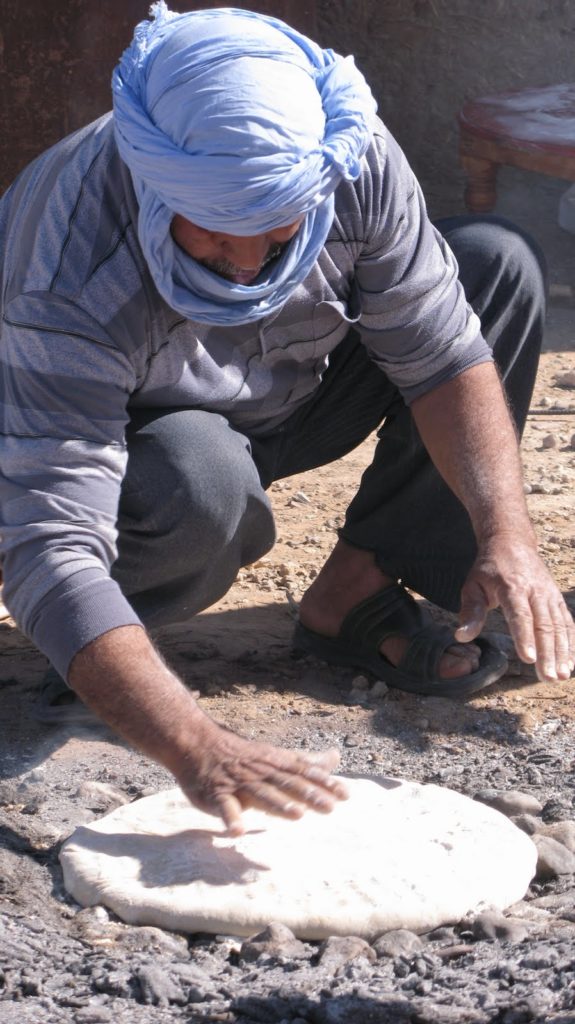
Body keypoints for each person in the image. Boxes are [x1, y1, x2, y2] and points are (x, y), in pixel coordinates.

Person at [0, 3, 573, 835]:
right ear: (160, 187)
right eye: (215, 234)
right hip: (138, 453)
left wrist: (507, 534)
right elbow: (49, 539)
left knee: (493, 268)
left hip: (291, 391)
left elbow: (442, 354)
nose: (246, 264)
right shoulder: (66, 264)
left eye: (276, 233)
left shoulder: (342, 154)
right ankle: (108, 660)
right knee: (200, 477)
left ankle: (355, 590)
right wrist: (195, 746)